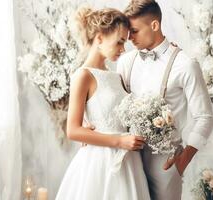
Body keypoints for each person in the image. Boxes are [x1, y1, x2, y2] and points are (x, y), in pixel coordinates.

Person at [117, 0, 213, 199]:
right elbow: (111, 102)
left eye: (134, 31)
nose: (129, 38)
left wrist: (183, 160)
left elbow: (205, 117)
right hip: (127, 159)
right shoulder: (125, 62)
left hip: (165, 164)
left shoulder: (186, 65)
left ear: (154, 25)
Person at [55, 6, 150, 200]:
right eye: (119, 42)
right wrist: (119, 141)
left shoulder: (115, 76)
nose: (123, 49)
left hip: (128, 162)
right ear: (99, 38)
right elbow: (73, 130)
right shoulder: (83, 76)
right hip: (101, 163)